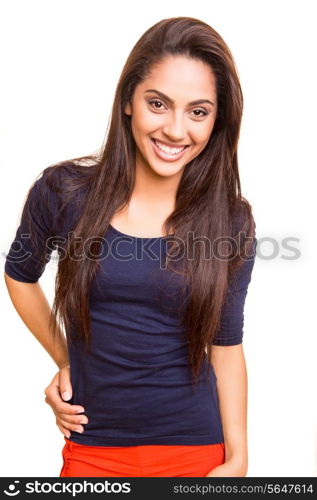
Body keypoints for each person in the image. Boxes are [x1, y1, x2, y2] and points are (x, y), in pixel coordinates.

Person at [4, 16, 257, 477]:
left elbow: (226, 346)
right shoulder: (63, 193)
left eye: (198, 112)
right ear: (127, 101)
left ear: (217, 120)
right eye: (158, 104)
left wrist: (237, 460)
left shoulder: (230, 220)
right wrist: (65, 359)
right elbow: (19, 275)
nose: (176, 130)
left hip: (196, 450)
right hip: (93, 446)